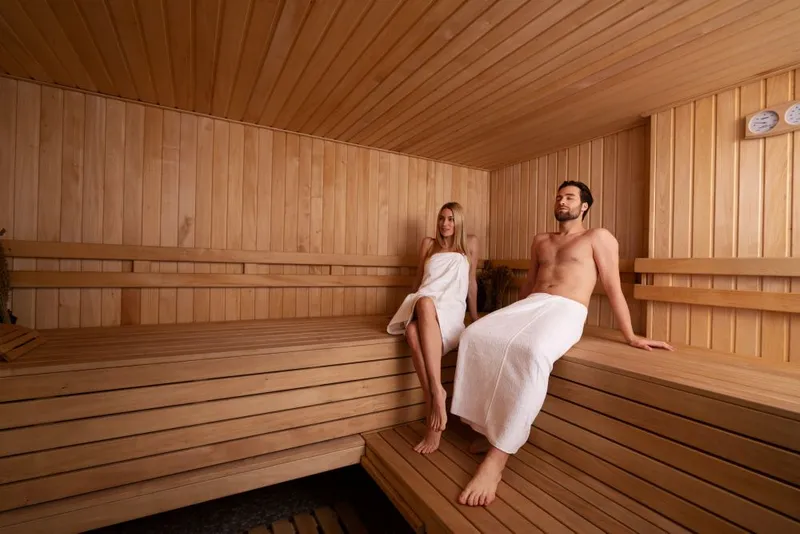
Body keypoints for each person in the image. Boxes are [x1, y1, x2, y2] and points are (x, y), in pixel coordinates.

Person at [450, 180, 674, 507]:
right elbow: (528, 286)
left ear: (584, 206)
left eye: (569, 197)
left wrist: (631, 335)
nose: (562, 201)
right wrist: (504, 319)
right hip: (531, 305)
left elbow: (613, 286)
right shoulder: (541, 240)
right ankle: (488, 428)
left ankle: (497, 460)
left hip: (566, 309)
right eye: (559, 196)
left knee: (534, 352)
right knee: (474, 335)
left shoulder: (598, 237)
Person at [388, 202, 480, 454]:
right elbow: (419, 280)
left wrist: (474, 317)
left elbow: (471, 282)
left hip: (450, 308)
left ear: (458, 221)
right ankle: (437, 394)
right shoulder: (428, 244)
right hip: (424, 301)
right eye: (441, 218)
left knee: (412, 333)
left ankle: (432, 400)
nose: (445, 224)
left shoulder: (469, 243)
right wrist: (408, 305)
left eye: (450, 219)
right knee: (423, 303)